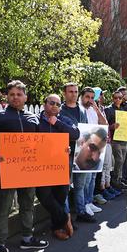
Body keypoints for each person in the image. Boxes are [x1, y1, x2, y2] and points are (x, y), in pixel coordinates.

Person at [0, 80, 49, 252]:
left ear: (25, 97)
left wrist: (61, 152)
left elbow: (43, 143)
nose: (15, 97)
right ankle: (0, 244)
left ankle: (27, 237)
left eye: (19, 94)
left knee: (27, 203)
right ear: (7, 96)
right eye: (12, 94)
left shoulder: (33, 118)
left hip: (29, 170)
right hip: (8, 169)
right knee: (3, 207)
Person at [38, 93, 80, 240]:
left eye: (57, 104)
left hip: (61, 166)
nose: (54, 106)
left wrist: (57, 123)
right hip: (41, 167)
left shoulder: (64, 120)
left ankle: (56, 228)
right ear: (45, 104)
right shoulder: (36, 120)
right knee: (44, 195)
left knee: (60, 197)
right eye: (51, 103)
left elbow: (75, 134)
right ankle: (64, 218)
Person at [59, 83, 96, 223]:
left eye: (75, 91)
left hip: (81, 152)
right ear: (64, 93)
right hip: (65, 153)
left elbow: (86, 131)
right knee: (65, 187)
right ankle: (66, 217)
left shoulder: (81, 110)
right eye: (70, 91)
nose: (73, 94)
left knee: (80, 185)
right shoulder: (60, 111)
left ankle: (81, 211)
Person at [79, 87, 107, 214]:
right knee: (84, 180)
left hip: (96, 148)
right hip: (84, 149)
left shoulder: (92, 110)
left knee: (92, 178)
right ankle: (84, 204)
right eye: (87, 97)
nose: (90, 100)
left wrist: (96, 109)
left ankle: (89, 202)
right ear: (81, 96)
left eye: (92, 97)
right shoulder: (79, 109)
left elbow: (104, 123)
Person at [103, 91, 127, 192]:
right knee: (119, 160)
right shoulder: (108, 110)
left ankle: (118, 179)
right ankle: (114, 181)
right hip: (114, 139)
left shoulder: (124, 109)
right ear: (112, 98)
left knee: (122, 160)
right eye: (115, 98)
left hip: (124, 138)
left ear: (122, 99)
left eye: (120, 98)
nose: (118, 99)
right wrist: (112, 126)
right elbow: (105, 125)